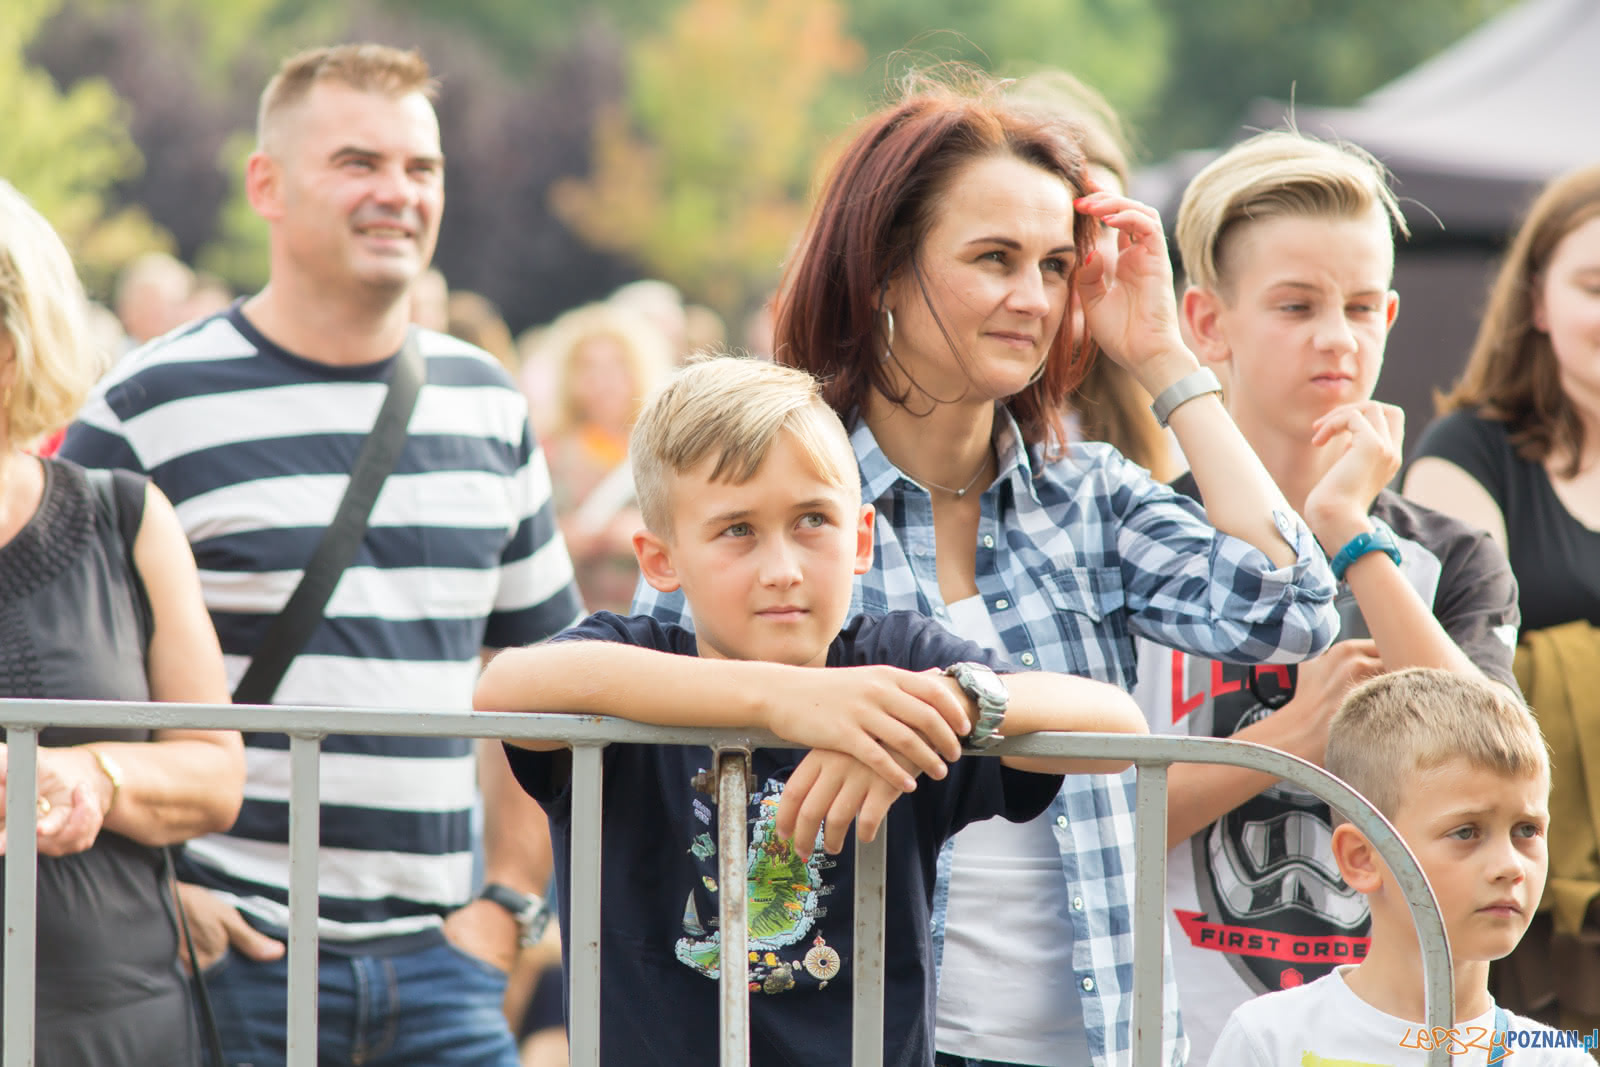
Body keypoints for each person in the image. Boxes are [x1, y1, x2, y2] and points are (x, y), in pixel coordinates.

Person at [633, 73, 1342, 1067]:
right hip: (860, 1036)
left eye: (1055, 265)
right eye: (994, 258)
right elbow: (647, 692)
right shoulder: (776, 494)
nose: (1033, 297)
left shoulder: (1086, 492)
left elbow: (1296, 607)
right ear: (882, 271)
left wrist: (1163, 359)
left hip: (1105, 1041)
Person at [58, 44, 583, 1067]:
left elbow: (543, 686)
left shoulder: (488, 404)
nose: (397, 193)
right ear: (268, 184)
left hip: (444, 969)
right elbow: (56, 679)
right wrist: (165, 894)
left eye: (421, 169)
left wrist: (506, 909)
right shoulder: (143, 409)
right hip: (224, 961)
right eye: (358, 162)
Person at [476, 355, 1151, 1064]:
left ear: (860, 539)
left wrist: (955, 697)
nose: (782, 568)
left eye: (811, 521)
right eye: (737, 529)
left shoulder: (895, 667)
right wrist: (788, 700)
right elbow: (509, 683)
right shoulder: (635, 657)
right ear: (660, 559)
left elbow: (1117, 727)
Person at [1132, 130, 1523, 1063]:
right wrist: (1288, 744)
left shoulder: (1452, 558)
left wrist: (1348, 527)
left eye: (1358, 306)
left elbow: (1494, 775)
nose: (1336, 338)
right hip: (1178, 1035)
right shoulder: (1139, 538)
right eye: (1296, 306)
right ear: (1206, 321)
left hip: (1405, 1037)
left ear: (1390, 312)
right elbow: (1087, 829)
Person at [0, 179, 243, 1064]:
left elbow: (216, 774)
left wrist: (93, 774)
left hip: (115, 1026)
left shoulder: (126, 517)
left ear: (12, 348)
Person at [1403, 164, 1600, 1034]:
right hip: (1522, 904)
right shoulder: (1464, 453)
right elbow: (1455, 657)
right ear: (1537, 302)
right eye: (1595, 284)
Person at [1210, 668, 1594, 1065]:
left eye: (1527, 830)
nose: (1510, 867)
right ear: (1362, 858)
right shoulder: (1270, 1040)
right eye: (1466, 832)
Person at [1007, 70, 1180, 481]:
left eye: (1102, 224)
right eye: (1063, 223)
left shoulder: (1157, 420)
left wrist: (1163, 362)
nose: (1080, 253)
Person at [538, 301, 669, 614]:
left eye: (616, 366)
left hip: (650, 618)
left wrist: (648, 537)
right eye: (589, 367)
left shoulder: (665, 451)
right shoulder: (548, 451)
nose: (603, 380)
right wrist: (558, 537)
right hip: (572, 619)